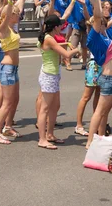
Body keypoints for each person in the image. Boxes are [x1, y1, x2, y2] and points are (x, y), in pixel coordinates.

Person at [85, 0, 112, 149]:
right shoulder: (94, 37)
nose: (103, 24)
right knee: (99, 111)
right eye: (100, 23)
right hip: (107, 77)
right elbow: (98, 15)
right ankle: (90, 141)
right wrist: (97, 0)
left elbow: (108, 18)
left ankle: (100, 137)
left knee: (105, 112)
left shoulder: (104, 36)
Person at [0, 0, 30, 144]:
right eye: (15, 14)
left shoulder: (12, 29)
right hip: (7, 68)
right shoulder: (4, 28)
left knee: (14, 100)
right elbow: (7, 12)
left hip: (13, 68)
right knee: (7, 103)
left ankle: (7, 127)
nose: (18, 16)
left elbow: (16, 8)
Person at [36, 15, 80, 149]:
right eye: (60, 25)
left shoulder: (47, 37)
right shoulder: (49, 39)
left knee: (55, 106)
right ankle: (42, 139)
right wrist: (79, 49)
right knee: (45, 108)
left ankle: (50, 134)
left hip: (53, 75)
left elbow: (55, 46)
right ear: (55, 27)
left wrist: (66, 44)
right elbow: (66, 55)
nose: (62, 27)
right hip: (49, 76)